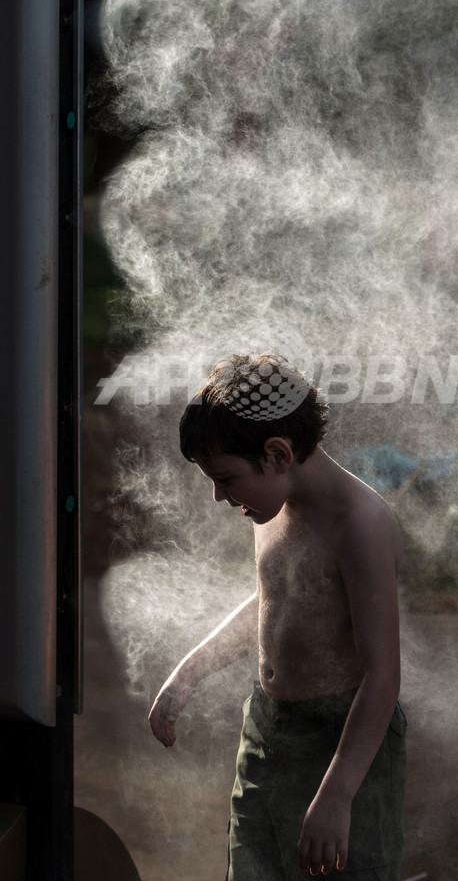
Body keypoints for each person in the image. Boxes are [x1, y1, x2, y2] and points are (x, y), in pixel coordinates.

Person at [148, 353, 406, 880]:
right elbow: (276, 596)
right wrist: (189, 672)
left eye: (226, 478)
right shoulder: (271, 502)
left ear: (277, 453)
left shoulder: (360, 525)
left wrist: (337, 794)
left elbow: (383, 676)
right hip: (267, 731)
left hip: (340, 742)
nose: (221, 496)